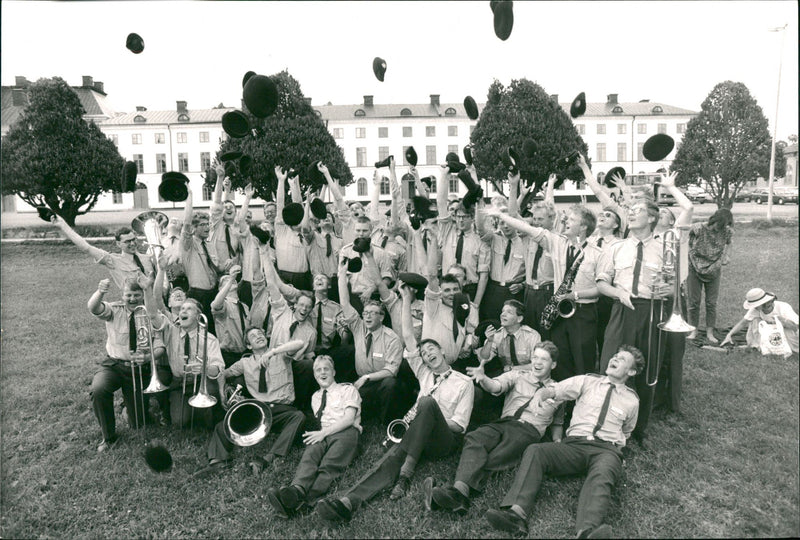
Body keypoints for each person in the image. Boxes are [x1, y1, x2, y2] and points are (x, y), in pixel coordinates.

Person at [315, 285, 474, 522]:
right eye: (424, 353)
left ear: (441, 351)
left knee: (427, 403)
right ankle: (347, 502)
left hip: (443, 440)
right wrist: (407, 300)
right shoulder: (425, 373)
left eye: (431, 349)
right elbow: (408, 336)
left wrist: (426, 419)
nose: (427, 354)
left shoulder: (464, 382)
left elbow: (459, 426)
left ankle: (405, 476)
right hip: (418, 435)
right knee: (389, 458)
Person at [483, 345, 643, 538]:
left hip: (605, 450)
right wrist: (540, 395)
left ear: (632, 371)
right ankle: (515, 514)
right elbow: (555, 389)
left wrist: (617, 451)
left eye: (622, 359)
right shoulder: (587, 381)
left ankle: (587, 531)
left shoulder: (632, 400)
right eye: (615, 355)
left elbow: (626, 431)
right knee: (536, 450)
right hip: (574, 445)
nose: (614, 359)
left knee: (603, 471)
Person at [595, 172, 691, 443]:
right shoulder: (616, 248)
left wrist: (671, 187)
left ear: (651, 218)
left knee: (647, 370)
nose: (632, 213)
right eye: (631, 210)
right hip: (621, 310)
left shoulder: (666, 244)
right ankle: (604, 422)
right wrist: (618, 292)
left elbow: (689, 209)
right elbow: (602, 282)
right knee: (609, 365)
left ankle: (639, 429)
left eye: (638, 210)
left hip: (652, 311)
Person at [428, 341, 563, 515]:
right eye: (535, 357)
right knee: (475, 437)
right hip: (504, 423)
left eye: (543, 359)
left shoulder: (559, 391)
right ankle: (459, 494)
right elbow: (496, 386)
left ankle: (459, 492)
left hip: (529, 430)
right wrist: (483, 379)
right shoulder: (518, 375)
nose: (537, 362)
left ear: (553, 364)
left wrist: (558, 441)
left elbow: (557, 422)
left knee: (497, 455)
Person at [195, 328, 306, 477]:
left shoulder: (281, 354)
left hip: (281, 408)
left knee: (298, 417)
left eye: (260, 333)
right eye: (253, 336)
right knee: (222, 426)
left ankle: (269, 458)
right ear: (249, 346)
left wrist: (272, 352)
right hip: (258, 408)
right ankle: (217, 462)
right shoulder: (245, 362)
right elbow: (222, 373)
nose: (258, 336)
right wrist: (222, 393)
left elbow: (300, 343)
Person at [267, 355, 362, 517]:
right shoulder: (315, 397)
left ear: (334, 372)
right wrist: (321, 436)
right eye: (318, 370)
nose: (322, 372)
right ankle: (297, 490)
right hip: (324, 433)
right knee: (309, 456)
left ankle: (308, 500)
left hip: (346, 432)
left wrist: (323, 433)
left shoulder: (348, 389)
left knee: (329, 463)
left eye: (326, 369)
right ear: (314, 375)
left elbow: (348, 419)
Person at [88, 277, 165, 451]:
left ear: (142, 295)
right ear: (122, 295)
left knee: (138, 423)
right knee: (99, 389)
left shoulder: (151, 314)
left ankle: (127, 409)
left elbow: (160, 347)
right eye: (128, 295)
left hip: (139, 370)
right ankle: (108, 437)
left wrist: (146, 358)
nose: (132, 299)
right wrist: (100, 291)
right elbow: (93, 308)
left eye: (136, 295)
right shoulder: (114, 310)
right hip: (114, 365)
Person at [336, 255, 402, 425]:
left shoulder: (391, 337)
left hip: (380, 383)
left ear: (382, 317)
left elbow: (391, 370)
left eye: (372, 313)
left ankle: (385, 421)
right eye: (365, 313)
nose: (367, 316)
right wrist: (342, 274)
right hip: (362, 383)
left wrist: (367, 378)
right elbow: (344, 302)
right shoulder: (358, 328)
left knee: (391, 384)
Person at [53, 216, 154, 290]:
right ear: (118, 244)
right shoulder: (112, 260)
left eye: (133, 239)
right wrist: (63, 225)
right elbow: (86, 247)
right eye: (127, 242)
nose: (132, 243)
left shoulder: (148, 258)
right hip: (134, 303)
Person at [686, 209, 734, 343]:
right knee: (693, 302)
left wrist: (727, 256)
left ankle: (710, 332)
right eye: (719, 225)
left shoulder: (727, 231)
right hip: (694, 267)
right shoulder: (698, 228)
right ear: (713, 220)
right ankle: (693, 330)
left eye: (724, 226)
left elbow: (730, 243)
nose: (719, 229)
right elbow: (685, 239)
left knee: (711, 303)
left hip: (714, 269)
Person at [181, 188, 220, 335]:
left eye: (207, 224)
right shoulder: (188, 245)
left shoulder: (210, 244)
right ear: (194, 227)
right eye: (202, 225)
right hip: (197, 294)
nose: (207, 227)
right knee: (197, 330)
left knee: (212, 331)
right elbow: (186, 223)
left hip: (213, 293)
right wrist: (190, 196)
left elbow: (215, 266)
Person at [721, 288, 799, 356]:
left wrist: (781, 321)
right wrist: (729, 335)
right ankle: (758, 346)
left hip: (788, 334)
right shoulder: (756, 309)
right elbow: (743, 322)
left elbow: (795, 327)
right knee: (755, 321)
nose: (754, 307)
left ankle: (785, 348)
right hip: (770, 335)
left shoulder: (783, 307)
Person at [273, 166, 312, 291]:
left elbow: (298, 204)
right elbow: (280, 205)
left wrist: (294, 185)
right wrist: (281, 181)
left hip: (303, 278)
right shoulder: (282, 230)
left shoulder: (306, 232)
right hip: (283, 276)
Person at [210, 265, 250, 368]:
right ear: (220, 289)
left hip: (246, 353)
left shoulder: (244, 307)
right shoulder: (224, 304)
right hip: (229, 355)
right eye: (225, 281)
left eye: (233, 280)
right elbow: (215, 305)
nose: (232, 281)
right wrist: (231, 279)